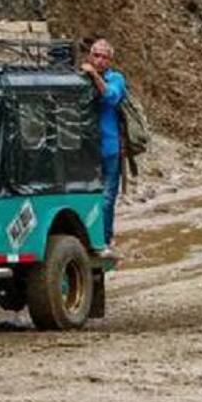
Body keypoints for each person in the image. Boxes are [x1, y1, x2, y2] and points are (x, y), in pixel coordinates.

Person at [80, 38, 126, 253]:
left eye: (104, 57)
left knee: (107, 199)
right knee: (85, 197)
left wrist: (94, 75)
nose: (99, 60)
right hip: (84, 152)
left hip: (109, 150)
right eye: (95, 55)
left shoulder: (116, 79)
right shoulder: (80, 78)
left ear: (110, 60)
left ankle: (105, 240)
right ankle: (88, 240)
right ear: (89, 55)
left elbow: (111, 97)